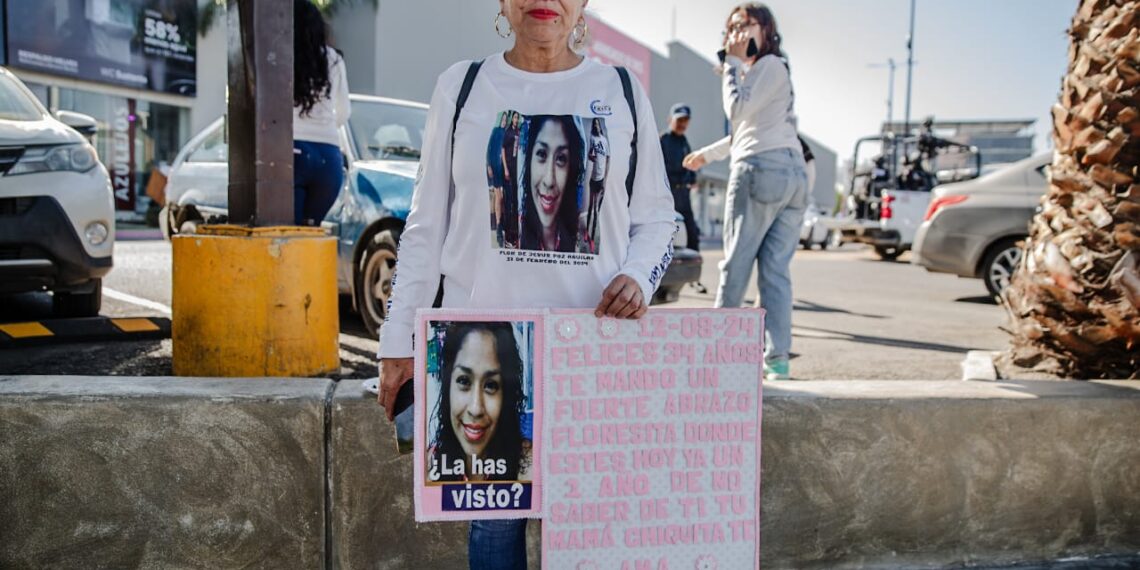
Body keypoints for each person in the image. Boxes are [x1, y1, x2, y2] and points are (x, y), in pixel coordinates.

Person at [377, 1, 676, 568]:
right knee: (493, 541)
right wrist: (397, 343)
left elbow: (658, 220)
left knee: (592, 545)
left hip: (594, 361)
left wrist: (638, 276)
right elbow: (424, 227)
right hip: (489, 359)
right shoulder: (461, 87)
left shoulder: (622, 90)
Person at [683, 3, 807, 380]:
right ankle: (777, 361)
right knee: (774, 273)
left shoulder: (767, 66)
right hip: (790, 174)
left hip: (761, 170)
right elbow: (745, 131)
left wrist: (733, 65)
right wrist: (707, 155)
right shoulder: (770, 71)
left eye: (747, 25)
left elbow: (737, 110)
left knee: (736, 265)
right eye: (733, 26)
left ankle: (716, 357)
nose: (738, 33)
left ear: (765, 30)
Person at [429, 322, 530, 483]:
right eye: (463, 381)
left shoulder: (530, 466)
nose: (476, 409)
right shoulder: (428, 467)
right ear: (448, 387)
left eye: (491, 385)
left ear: (506, 394)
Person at [292, 0, 350, 226]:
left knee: (289, 236)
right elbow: (344, 112)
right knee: (309, 234)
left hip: (294, 151)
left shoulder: (283, 57)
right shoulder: (334, 59)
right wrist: (323, 126)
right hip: (329, 157)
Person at [660, 103, 708, 294]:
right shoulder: (662, 140)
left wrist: (692, 179)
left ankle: (694, 278)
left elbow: (690, 169)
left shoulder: (684, 142)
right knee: (666, 237)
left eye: (685, 121)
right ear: (670, 119)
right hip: (667, 196)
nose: (682, 124)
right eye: (679, 120)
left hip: (684, 197)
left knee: (692, 236)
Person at [520, 115, 583, 252]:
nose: (549, 180)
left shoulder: (582, 242)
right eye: (542, 154)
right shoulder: (514, 236)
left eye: (561, 158)